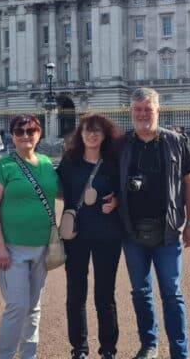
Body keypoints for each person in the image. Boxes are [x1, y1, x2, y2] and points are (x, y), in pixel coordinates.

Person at [118, 88, 190, 359]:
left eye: (147, 109)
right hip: (131, 231)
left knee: (172, 294)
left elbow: (189, 183)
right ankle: (149, 345)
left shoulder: (176, 140)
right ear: (131, 111)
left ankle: (180, 351)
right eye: (138, 109)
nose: (142, 114)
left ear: (157, 110)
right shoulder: (122, 144)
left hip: (168, 231)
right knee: (141, 293)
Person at [0, 114, 59, 359]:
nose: (26, 136)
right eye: (20, 131)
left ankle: (29, 355)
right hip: (13, 247)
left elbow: (63, 194)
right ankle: (4, 355)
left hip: (43, 246)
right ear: (12, 135)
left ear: (39, 133)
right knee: (17, 307)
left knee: (34, 308)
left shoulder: (47, 163)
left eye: (31, 131)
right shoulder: (3, 165)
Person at [56, 114, 123, 359]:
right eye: (87, 130)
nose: (92, 134)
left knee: (105, 295)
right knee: (75, 295)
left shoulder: (113, 162)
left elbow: (125, 192)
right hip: (76, 236)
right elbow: (55, 188)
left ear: (105, 135)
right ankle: (79, 349)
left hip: (108, 235)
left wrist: (117, 201)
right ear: (80, 134)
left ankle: (108, 349)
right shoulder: (69, 161)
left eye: (97, 131)